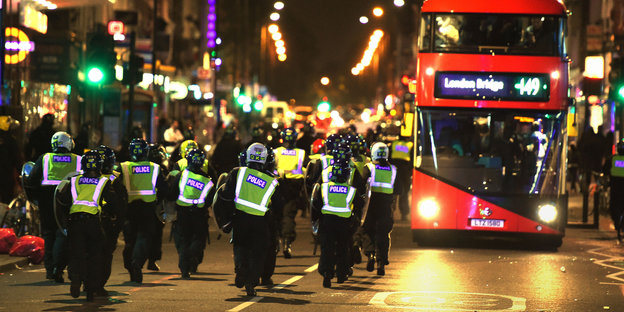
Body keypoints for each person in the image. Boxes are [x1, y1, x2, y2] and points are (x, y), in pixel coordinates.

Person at [214, 143, 282, 296]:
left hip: (240, 219)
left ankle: (240, 272)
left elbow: (225, 196)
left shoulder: (238, 172)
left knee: (240, 247)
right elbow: (279, 205)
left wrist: (225, 219)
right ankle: (251, 282)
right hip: (260, 222)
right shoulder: (272, 180)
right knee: (258, 253)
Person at [54, 150, 119, 301]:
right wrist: (111, 215)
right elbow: (113, 203)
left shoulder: (74, 180)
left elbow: (62, 200)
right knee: (95, 255)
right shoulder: (104, 181)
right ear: (100, 165)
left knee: (76, 253)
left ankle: (76, 279)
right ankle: (91, 289)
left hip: (74, 222)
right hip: (93, 222)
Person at [27, 131, 81, 282]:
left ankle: (50, 270)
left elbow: (31, 180)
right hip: (68, 201)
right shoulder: (77, 159)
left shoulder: (44, 158)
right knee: (63, 234)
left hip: (46, 201)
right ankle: (59, 266)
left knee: (48, 234)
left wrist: (37, 197)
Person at [118, 138, 167, 284]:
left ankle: (131, 266)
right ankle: (137, 263)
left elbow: (116, 187)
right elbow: (164, 189)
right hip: (147, 208)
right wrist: (158, 200)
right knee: (145, 238)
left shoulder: (123, 167)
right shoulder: (155, 167)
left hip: (129, 209)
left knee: (130, 240)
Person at [310, 157, 364, 288]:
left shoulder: (324, 187)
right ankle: (341, 274)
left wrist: (316, 220)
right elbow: (360, 206)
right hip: (344, 224)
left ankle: (327, 274)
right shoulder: (351, 191)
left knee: (326, 249)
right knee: (343, 249)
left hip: (326, 222)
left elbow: (316, 205)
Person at [167, 148, 215, 278]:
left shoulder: (181, 175)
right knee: (198, 239)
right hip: (199, 214)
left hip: (182, 213)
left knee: (184, 240)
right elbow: (210, 200)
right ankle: (192, 257)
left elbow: (172, 194)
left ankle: (184, 269)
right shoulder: (208, 181)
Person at [362, 142, 400, 276]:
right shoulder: (394, 169)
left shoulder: (369, 168)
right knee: (383, 234)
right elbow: (397, 189)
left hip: (370, 205)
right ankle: (381, 262)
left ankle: (370, 254)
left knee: (367, 230)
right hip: (386, 205)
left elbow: (361, 186)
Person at [96, 145, 126, 295]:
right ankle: (98, 285)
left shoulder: (81, 177)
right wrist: (118, 224)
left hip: (85, 221)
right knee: (106, 255)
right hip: (107, 223)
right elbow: (121, 203)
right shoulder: (114, 179)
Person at [274, 127, 307, 258]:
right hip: (294, 188)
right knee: (288, 215)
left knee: (276, 214)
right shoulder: (301, 153)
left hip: (278, 186)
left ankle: (277, 240)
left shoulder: (276, 152)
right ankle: (287, 241)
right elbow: (307, 171)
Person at [146, 143, 169, 271]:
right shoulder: (159, 169)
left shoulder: (131, 167)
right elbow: (164, 189)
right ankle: (151, 260)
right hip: (154, 207)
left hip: (135, 206)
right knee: (154, 235)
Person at [389, 135, 413, 221]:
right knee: (404, 193)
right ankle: (404, 214)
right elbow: (412, 160)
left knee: (393, 193)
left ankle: (390, 212)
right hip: (405, 171)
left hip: (395, 170)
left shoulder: (394, 143)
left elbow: (389, 158)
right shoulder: (410, 145)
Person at [0, 115, 22, 204]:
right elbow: (17, 159)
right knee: (7, 200)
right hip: (6, 176)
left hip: (6, 174)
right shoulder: (11, 141)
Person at [606, 141, 624, 236]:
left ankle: (617, 224)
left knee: (614, 206)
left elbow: (605, 170)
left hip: (615, 187)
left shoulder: (612, 159)